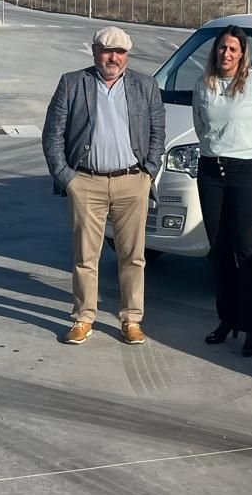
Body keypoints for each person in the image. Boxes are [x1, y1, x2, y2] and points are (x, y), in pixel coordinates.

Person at [42, 25, 166, 346]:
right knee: (86, 257)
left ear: (127, 55)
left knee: (133, 257)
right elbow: (52, 135)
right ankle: (84, 317)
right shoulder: (72, 83)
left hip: (132, 182)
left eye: (120, 52)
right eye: (107, 50)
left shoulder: (146, 85)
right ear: (95, 51)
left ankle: (132, 319)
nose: (113, 58)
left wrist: (147, 173)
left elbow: (157, 132)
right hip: (86, 182)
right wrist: (67, 178)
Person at [192, 24, 252, 357]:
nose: (226, 54)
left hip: (248, 172)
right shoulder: (204, 85)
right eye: (221, 48)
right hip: (211, 172)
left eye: (233, 49)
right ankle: (227, 318)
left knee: (246, 249)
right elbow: (201, 126)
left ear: (243, 53)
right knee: (219, 248)